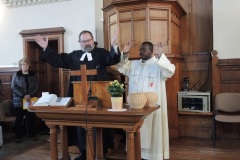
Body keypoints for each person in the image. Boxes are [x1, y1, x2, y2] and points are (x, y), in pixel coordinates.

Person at [34, 30, 121, 160]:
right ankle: (84, 152)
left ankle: (100, 153)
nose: (86, 43)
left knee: (99, 124)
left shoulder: (101, 53)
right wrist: (46, 47)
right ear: (79, 42)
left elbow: (112, 59)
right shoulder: (74, 56)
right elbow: (58, 60)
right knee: (81, 125)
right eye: (83, 41)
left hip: (99, 98)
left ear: (93, 40)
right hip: (79, 98)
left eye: (88, 40)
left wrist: (114, 46)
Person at [116, 41, 175, 160]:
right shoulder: (133, 65)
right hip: (136, 107)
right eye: (140, 49)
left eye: (145, 50)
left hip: (152, 108)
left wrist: (161, 56)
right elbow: (121, 67)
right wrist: (125, 53)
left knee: (153, 131)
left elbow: (170, 71)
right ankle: (137, 155)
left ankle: (153, 156)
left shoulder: (159, 64)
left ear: (151, 51)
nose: (141, 52)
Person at [11, 58, 39, 143]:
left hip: (30, 100)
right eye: (23, 64)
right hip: (19, 101)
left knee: (31, 118)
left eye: (26, 64)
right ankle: (18, 136)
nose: (25, 66)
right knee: (19, 119)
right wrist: (23, 95)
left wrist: (29, 95)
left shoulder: (33, 75)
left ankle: (32, 135)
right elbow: (13, 87)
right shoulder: (16, 75)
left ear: (29, 66)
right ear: (20, 66)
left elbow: (36, 86)